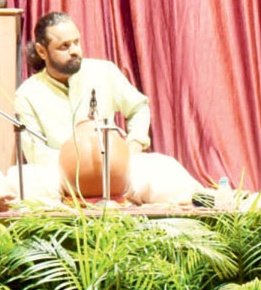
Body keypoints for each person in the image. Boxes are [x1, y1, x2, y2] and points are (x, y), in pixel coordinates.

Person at [14, 12, 202, 205]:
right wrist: (79, 168)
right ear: (42, 51)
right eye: (64, 46)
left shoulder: (104, 72)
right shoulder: (28, 93)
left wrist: (133, 145)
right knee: (22, 180)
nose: (75, 51)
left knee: (165, 167)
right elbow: (35, 151)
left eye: (76, 42)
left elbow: (138, 108)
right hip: (63, 177)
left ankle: (203, 204)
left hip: (116, 169)